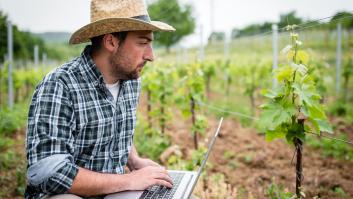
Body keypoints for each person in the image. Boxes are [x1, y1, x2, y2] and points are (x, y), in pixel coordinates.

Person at [25, 0, 176, 198]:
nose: (151, 55)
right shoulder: (60, 85)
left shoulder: (130, 79)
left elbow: (115, 127)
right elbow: (50, 173)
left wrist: (135, 161)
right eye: (142, 43)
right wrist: (129, 180)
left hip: (113, 192)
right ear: (111, 42)